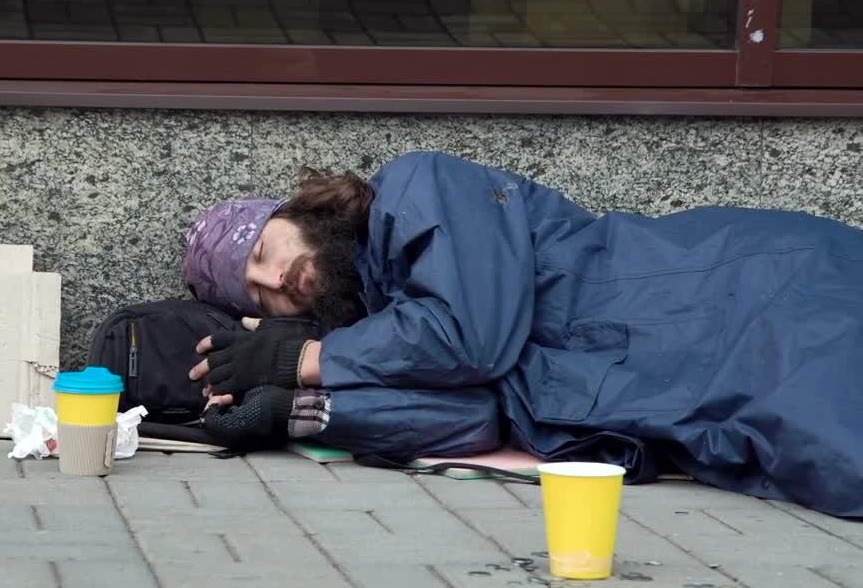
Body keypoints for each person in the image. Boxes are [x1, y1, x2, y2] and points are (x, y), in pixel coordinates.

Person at [181, 150, 863, 518]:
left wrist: (310, 359)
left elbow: (469, 337)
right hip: (673, 393)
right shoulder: (380, 337)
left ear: (298, 212)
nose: (277, 278)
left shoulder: (415, 190)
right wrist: (305, 413)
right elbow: (477, 413)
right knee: (834, 461)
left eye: (263, 249)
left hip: (738, 293)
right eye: (258, 294)